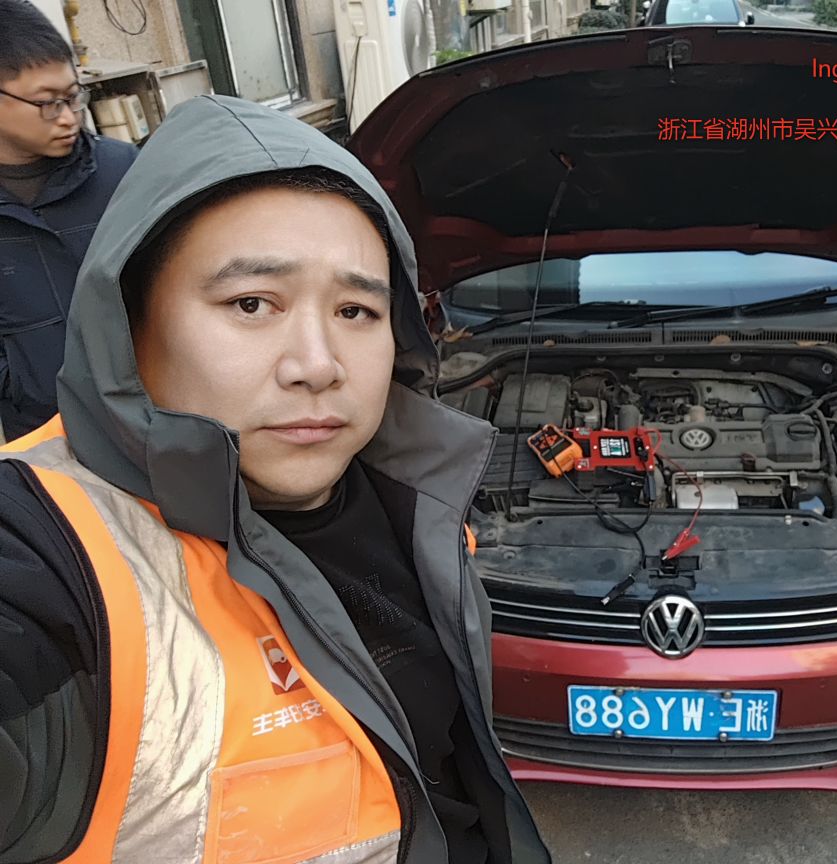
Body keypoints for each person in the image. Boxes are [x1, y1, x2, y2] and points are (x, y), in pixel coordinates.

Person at [0, 94, 550, 864]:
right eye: (253, 303)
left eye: (356, 311)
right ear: (129, 322)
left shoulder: (410, 489)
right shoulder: (47, 556)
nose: (318, 366)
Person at [0, 0, 136, 442]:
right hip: (41, 431)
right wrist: (18, 383)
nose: (68, 117)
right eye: (47, 103)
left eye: (74, 96)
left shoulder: (124, 172)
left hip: (149, 413)